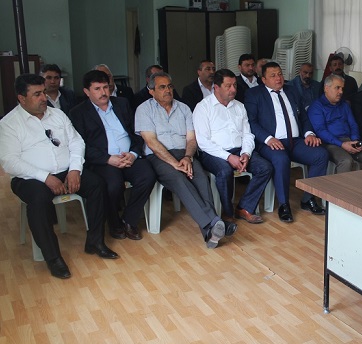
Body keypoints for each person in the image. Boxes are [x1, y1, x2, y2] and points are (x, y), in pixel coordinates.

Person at [0, 74, 118, 279]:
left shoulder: (57, 115)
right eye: (37, 94)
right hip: (29, 178)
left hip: (65, 170)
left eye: (44, 92)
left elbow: (77, 142)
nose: (43, 98)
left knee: (97, 184)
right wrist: (45, 177)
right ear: (22, 98)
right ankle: (53, 258)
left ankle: (95, 242)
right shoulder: (9, 123)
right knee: (38, 200)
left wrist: (75, 170)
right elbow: (9, 161)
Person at [135, 71, 236, 248]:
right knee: (178, 178)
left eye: (169, 86)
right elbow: (151, 142)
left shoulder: (184, 108)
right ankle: (213, 222)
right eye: (162, 87)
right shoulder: (144, 109)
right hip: (158, 156)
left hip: (184, 154)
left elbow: (191, 139)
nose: (168, 90)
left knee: (201, 177)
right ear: (151, 91)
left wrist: (188, 157)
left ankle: (211, 231)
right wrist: (175, 163)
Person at [70, 70, 156, 241]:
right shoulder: (78, 112)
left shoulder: (122, 104)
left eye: (105, 87)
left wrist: (133, 154)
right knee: (113, 185)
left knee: (148, 175)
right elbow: (81, 145)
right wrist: (108, 159)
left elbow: (136, 133)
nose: (103, 92)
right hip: (104, 161)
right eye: (97, 89)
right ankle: (114, 222)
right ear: (87, 91)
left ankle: (129, 220)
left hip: (128, 156)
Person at [245, 61, 329, 223]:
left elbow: (303, 116)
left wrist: (309, 133)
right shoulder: (254, 94)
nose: (278, 78)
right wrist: (268, 138)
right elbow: (251, 122)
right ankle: (284, 204)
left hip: (295, 141)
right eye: (273, 76)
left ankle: (309, 198)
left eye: (280, 74)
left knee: (321, 154)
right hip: (270, 143)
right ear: (263, 79)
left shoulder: (291, 90)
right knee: (281, 159)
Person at [194, 69, 272, 224]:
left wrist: (246, 153)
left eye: (235, 85)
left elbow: (248, 134)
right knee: (224, 171)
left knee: (265, 167)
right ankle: (227, 213)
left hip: (238, 150)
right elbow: (203, 142)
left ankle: (244, 207)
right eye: (228, 86)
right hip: (213, 153)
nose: (233, 89)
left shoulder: (239, 106)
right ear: (216, 87)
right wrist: (229, 157)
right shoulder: (203, 107)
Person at [308, 74, 362, 173]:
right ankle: (341, 184)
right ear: (326, 88)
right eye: (337, 88)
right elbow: (321, 131)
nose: (341, 92)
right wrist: (342, 144)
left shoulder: (344, 104)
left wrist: (355, 140)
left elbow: (353, 124)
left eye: (342, 88)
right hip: (330, 143)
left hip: (350, 140)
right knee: (346, 161)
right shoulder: (317, 107)